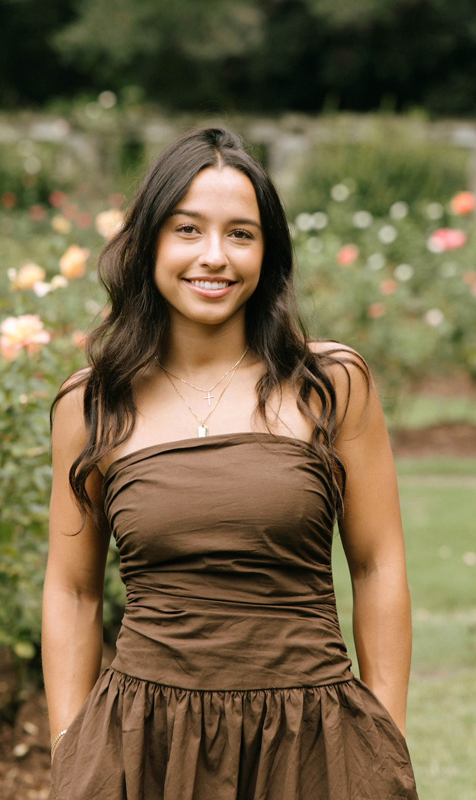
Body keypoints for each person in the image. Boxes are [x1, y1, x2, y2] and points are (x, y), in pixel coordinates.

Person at [42, 127, 419, 799]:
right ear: (148, 242)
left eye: (240, 234)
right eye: (187, 229)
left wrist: (381, 730)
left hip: (311, 741)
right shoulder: (93, 402)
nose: (213, 257)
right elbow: (73, 591)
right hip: (143, 745)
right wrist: (71, 747)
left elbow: (378, 562)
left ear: (266, 251)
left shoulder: (329, 384)